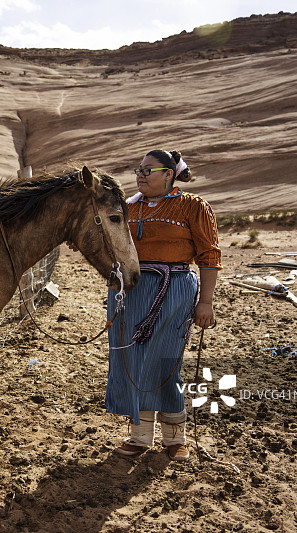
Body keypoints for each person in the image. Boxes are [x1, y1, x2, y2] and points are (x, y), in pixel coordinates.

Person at [106, 149, 220, 461]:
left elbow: (209, 257)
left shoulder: (193, 207)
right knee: (134, 361)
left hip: (174, 293)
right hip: (132, 292)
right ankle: (140, 436)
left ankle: (175, 436)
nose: (140, 175)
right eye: (138, 169)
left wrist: (206, 302)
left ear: (169, 174)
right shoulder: (127, 207)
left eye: (148, 170)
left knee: (166, 363)